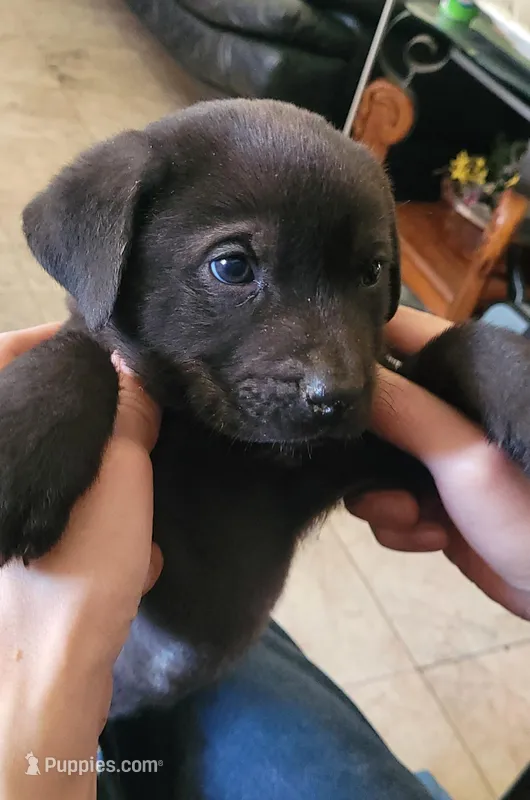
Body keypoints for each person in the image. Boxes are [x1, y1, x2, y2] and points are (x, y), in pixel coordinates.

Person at [0, 307, 528, 800]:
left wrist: (477, 361)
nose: (333, 375)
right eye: (232, 267)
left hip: (178, 672)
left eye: (369, 272)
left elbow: (433, 433)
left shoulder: (309, 409)